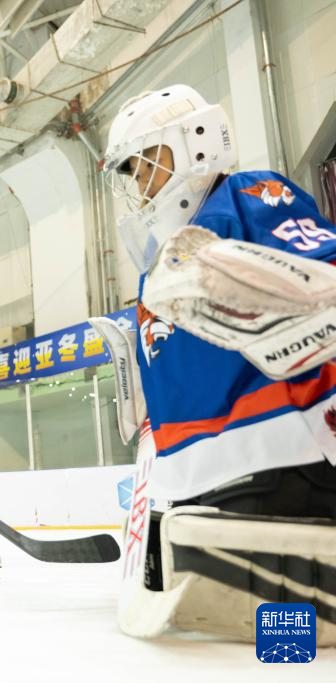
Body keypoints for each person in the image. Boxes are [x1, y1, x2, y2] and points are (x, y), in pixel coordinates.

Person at [102, 84, 336, 642]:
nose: (140, 186)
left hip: (280, 477)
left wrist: (278, 289)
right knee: (248, 642)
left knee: (287, 643)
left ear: (194, 142)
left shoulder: (251, 197)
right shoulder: (166, 266)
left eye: (146, 166)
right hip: (207, 498)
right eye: (131, 174)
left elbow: (319, 278)